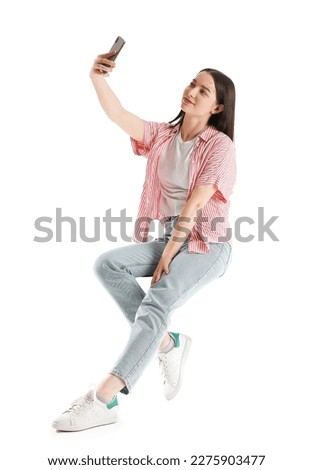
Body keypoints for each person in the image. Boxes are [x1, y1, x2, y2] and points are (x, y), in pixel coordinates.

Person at [52, 49, 236, 432]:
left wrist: (169, 253)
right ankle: (167, 343)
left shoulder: (219, 146)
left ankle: (105, 397)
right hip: (170, 234)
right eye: (192, 83)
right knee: (108, 264)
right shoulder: (162, 135)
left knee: (158, 299)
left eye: (203, 91)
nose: (192, 92)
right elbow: (120, 116)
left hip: (207, 244)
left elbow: (197, 200)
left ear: (217, 107)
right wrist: (98, 79)